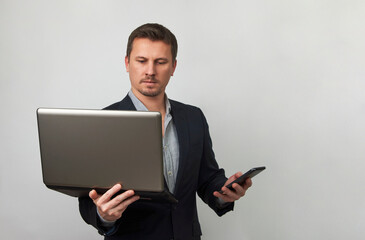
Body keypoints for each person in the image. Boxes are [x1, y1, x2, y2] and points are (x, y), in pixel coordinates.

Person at [79, 23, 252, 240]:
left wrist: (226, 193)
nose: (150, 71)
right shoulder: (102, 123)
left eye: (160, 62)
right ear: (127, 63)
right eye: (141, 61)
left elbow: (207, 180)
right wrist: (104, 215)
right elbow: (88, 199)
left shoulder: (194, 117)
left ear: (173, 67)